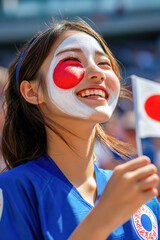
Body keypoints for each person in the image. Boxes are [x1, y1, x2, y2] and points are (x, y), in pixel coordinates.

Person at [0, 19, 159, 240]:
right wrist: (103, 219)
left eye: (104, 63)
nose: (98, 73)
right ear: (32, 92)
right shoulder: (12, 190)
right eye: (72, 60)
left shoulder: (141, 195)